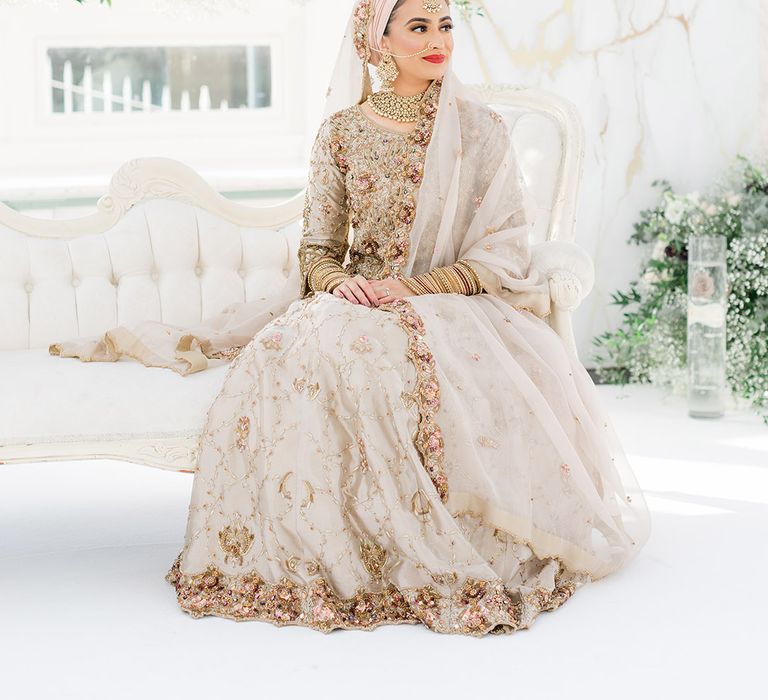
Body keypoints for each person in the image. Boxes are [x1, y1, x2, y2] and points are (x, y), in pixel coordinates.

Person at [50, 0, 651, 636]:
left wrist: (414, 288)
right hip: (353, 303)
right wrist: (346, 287)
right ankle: (332, 555)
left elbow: (504, 245)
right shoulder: (343, 131)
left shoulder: (480, 130)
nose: (437, 40)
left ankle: (432, 545)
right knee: (296, 349)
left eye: (445, 25)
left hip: (453, 306)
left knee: (374, 357)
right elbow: (317, 248)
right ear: (378, 39)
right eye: (418, 26)